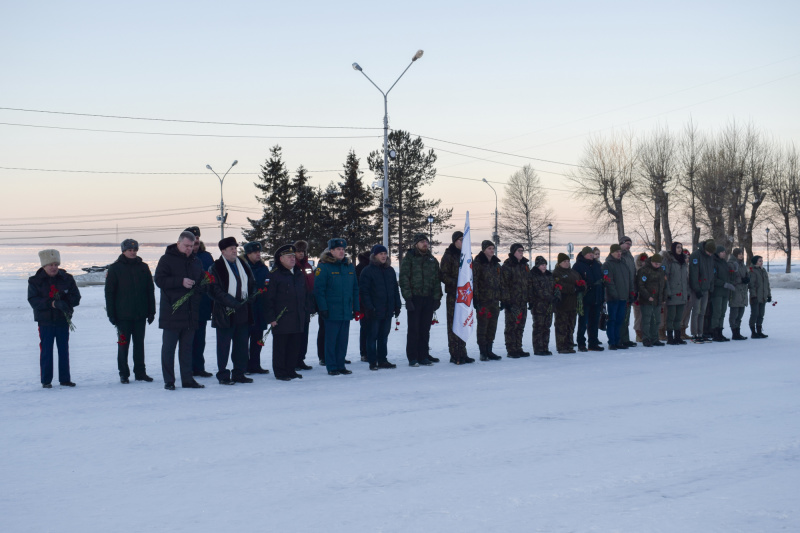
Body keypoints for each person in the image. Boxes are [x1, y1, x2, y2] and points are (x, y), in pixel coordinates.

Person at [154, 231, 206, 390]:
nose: (189, 249)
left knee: (187, 349)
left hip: (190, 312)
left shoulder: (196, 261)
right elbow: (159, 280)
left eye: (192, 246)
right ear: (178, 243)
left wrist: (202, 286)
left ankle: (187, 379)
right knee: (169, 349)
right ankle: (169, 380)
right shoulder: (167, 259)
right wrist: (180, 282)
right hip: (172, 312)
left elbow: (202, 281)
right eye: (186, 246)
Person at [28, 249, 81, 388]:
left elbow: (76, 297)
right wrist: (52, 303)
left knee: (63, 350)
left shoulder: (67, 278)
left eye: (55, 264)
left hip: (62, 320)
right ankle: (46, 380)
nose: (53, 267)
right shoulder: (35, 281)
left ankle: (65, 379)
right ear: (44, 266)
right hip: (45, 321)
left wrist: (65, 301)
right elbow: (33, 300)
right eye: (50, 265)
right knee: (46, 350)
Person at [105, 238, 156, 383]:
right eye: (129, 250)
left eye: (135, 250)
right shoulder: (115, 268)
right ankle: (124, 373)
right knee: (123, 345)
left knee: (139, 345)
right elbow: (109, 293)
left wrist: (151, 311)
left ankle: (140, 372)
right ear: (123, 251)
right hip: (122, 316)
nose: (132, 252)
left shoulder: (143, 267)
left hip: (140, 315)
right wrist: (111, 313)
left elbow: (149, 290)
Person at [208, 237, 255, 385]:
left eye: (235, 248)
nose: (234, 251)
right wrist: (233, 302)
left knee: (241, 345)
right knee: (223, 346)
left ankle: (239, 373)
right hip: (224, 312)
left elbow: (251, 282)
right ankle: (223, 374)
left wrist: (252, 296)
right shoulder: (215, 267)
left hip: (242, 311)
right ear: (223, 251)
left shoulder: (243, 264)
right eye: (231, 249)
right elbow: (214, 290)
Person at [264, 244, 309, 380]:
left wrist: (306, 311)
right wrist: (271, 318)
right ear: (281, 258)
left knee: (294, 346)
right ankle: (280, 372)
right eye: (289, 256)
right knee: (281, 347)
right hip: (281, 318)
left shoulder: (298, 273)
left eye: (293, 256)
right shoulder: (274, 275)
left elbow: (304, 295)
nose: (292, 259)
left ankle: (291, 370)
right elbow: (267, 299)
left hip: (297, 317)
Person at [314, 238, 359, 375]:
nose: (341, 251)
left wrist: (356, 307)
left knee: (343, 340)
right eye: (338, 249)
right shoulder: (324, 267)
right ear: (331, 251)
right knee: (331, 340)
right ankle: (332, 366)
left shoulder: (349, 266)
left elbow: (355, 289)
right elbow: (319, 290)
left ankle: (341, 365)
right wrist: (323, 308)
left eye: (343, 249)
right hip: (331, 310)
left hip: (346, 310)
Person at [399, 234, 442, 367]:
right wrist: (408, 298)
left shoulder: (432, 260)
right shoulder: (410, 258)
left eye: (426, 241)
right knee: (414, 329)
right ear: (416, 244)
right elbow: (404, 279)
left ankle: (423, 355)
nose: (425, 244)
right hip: (415, 298)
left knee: (425, 329)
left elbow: (436, 280)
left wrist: (437, 297)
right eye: (422, 241)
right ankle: (413, 357)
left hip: (428, 298)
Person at [359, 244, 402, 370]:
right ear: (374, 256)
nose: (383, 256)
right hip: (374, 310)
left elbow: (395, 289)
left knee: (383, 336)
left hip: (387, 309)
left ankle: (382, 359)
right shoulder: (367, 271)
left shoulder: (390, 270)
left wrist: (397, 305)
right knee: (372, 336)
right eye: (380, 254)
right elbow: (364, 291)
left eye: (385, 254)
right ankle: (372, 361)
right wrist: (369, 307)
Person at [440, 231, 474, 364]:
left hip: (465, 296)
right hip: (454, 296)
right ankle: (455, 354)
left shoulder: (467, 255)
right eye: (461, 240)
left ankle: (463, 352)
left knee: (464, 322)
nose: (463, 242)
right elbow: (443, 275)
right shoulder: (448, 256)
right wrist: (458, 283)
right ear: (455, 241)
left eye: (464, 239)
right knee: (454, 324)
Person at [186, 227, 214, 378]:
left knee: (200, 339)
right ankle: (187, 368)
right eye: (192, 237)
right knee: (187, 339)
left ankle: (199, 367)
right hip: (187, 304)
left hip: (203, 304)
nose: (196, 240)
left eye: (197, 237)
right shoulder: (181, 256)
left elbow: (212, 278)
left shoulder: (206, 257)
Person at [241, 241, 271, 373]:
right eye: (255, 252)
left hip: (260, 308)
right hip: (246, 308)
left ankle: (255, 364)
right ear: (248, 254)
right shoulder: (242, 266)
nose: (258, 254)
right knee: (243, 340)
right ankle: (244, 366)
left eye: (259, 252)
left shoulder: (263, 268)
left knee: (258, 339)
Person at [473, 240, 503, 361]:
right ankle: (483, 352)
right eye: (489, 248)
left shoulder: (496, 265)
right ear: (484, 249)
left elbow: (501, 282)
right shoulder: (478, 263)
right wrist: (476, 299)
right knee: (483, 326)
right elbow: (474, 282)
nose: (492, 250)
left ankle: (490, 350)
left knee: (492, 326)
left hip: (494, 300)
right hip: (483, 300)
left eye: (493, 248)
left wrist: (502, 298)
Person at [501, 243, 531, 358]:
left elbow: (529, 282)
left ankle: (518, 347)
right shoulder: (507, 266)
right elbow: (504, 285)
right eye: (519, 250)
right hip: (512, 301)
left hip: (523, 301)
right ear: (513, 252)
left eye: (522, 250)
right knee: (511, 326)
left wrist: (530, 298)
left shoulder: (524, 265)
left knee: (520, 326)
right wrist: (506, 301)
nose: (521, 252)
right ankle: (511, 349)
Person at [573, 246, 604, 352]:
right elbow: (575, 281)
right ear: (584, 254)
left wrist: (601, 296)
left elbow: (601, 280)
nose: (591, 255)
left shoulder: (596, 265)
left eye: (592, 254)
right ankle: (581, 343)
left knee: (594, 322)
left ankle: (593, 343)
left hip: (596, 297)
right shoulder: (578, 266)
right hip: (585, 299)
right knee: (583, 322)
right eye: (589, 254)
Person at [601, 244, 630, 350]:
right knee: (612, 320)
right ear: (611, 253)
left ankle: (618, 341)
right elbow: (608, 282)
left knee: (620, 320)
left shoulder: (623, 264)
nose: (619, 254)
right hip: (613, 299)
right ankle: (612, 342)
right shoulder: (607, 265)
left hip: (623, 297)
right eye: (616, 252)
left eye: (620, 252)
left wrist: (630, 292)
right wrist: (614, 294)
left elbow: (628, 280)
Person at [553, 253, 583, 354]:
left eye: (568, 261)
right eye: (564, 261)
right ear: (559, 263)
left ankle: (569, 344)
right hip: (562, 304)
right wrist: (574, 288)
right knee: (562, 326)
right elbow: (559, 285)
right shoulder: (556, 273)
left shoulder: (573, 272)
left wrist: (582, 287)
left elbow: (581, 281)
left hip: (573, 303)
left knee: (571, 326)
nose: (567, 263)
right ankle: (561, 346)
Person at [636, 253, 667, 347]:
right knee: (647, 320)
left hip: (658, 300)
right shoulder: (644, 270)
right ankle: (646, 338)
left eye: (659, 264)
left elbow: (664, 285)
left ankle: (655, 338)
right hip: (647, 300)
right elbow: (640, 285)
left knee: (657, 320)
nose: (657, 265)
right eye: (655, 263)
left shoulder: (661, 271)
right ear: (652, 262)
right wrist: (647, 296)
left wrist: (664, 297)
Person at [688, 240, 716, 343]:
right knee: (696, 312)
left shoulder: (710, 257)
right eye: (709, 252)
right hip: (697, 289)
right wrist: (696, 289)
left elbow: (711, 273)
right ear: (705, 249)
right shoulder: (696, 255)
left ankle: (701, 333)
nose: (710, 254)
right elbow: (694, 274)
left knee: (703, 312)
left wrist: (711, 287)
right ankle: (694, 334)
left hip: (706, 288)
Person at [294, 240, 316, 369]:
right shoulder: (293, 266)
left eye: (302, 251)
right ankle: (294, 359)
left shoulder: (307, 266)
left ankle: (301, 359)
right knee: (296, 334)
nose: (301, 254)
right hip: (297, 304)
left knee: (304, 334)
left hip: (306, 303)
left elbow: (311, 282)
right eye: (298, 251)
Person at [663, 242, 689, 345]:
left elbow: (685, 279)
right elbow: (665, 278)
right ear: (673, 248)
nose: (680, 249)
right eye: (678, 247)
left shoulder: (683, 261)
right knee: (671, 317)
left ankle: (678, 337)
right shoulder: (668, 260)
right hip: (673, 293)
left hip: (682, 293)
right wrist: (668, 292)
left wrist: (686, 292)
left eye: (681, 248)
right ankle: (670, 337)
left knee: (679, 317)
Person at [529, 256, 555, 355]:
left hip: (549, 306)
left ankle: (545, 347)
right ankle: (538, 348)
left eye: (545, 265)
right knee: (538, 327)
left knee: (547, 326)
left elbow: (554, 286)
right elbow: (537, 290)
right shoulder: (533, 275)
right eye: (542, 265)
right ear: (537, 265)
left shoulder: (549, 275)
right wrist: (549, 297)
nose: (544, 267)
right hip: (538, 305)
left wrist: (556, 294)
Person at [710, 246, 734, 342]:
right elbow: (713, 278)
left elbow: (727, 275)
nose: (724, 253)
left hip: (725, 292)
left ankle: (720, 332)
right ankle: (715, 333)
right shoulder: (714, 262)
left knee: (722, 313)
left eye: (724, 252)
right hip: (717, 292)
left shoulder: (724, 262)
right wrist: (724, 284)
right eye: (722, 252)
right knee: (717, 312)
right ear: (718, 253)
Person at [618, 236, 637, 347]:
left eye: (630, 244)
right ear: (622, 243)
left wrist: (634, 289)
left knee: (627, 317)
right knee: (621, 316)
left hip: (630, 289)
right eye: (627, 243)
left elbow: (633, 273)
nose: (629, 246)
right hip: (622, 290)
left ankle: (626, 338)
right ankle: (620, 338)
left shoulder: (629, 256)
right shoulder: (619, 256)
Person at [727, 248, 750, 340]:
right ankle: (734, 332)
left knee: (740, 313)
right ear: (736, 254)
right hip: (735, 291)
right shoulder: (731, 264)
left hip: (743, 291)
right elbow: (731, 277)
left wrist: (747, 278)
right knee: (734, 313)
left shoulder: (742, 265)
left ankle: (738, 331)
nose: (741, 255)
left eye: (742, 254)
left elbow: (746, 274)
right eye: (740, 254)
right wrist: (741, 280)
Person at [748, 255, 771, 338]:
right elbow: (752, 285)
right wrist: (753, 296)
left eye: (762, 261)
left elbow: (767, 284)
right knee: (755, 314)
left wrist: (769, 295)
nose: (761, 262)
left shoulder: (763, 270)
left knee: (761, 314)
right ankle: (753, 332)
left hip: (763, 297)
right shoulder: (752, 271)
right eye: (760, 261)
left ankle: (759, 331)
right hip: (756, 297)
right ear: (755, 262)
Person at [355, 250, 372, 362]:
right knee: (366, 328)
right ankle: (365, 352)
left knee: (370, 329)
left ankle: (368, 351)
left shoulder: (373, 267)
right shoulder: (361, 268)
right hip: (363, 303)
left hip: (371, 302)